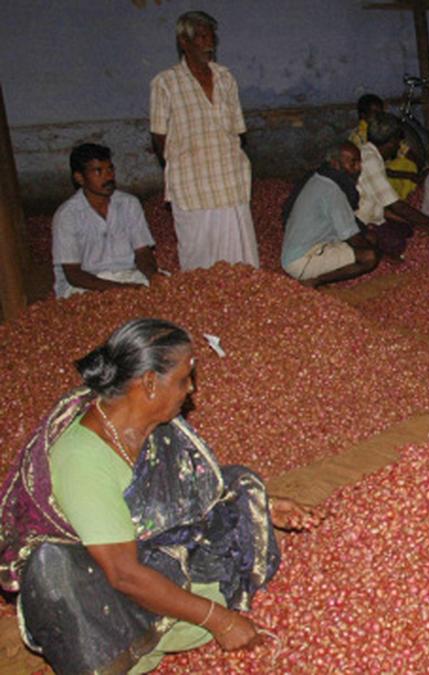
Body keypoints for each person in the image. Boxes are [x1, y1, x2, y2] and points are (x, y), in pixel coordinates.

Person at [0, 319, 320, 674]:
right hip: (98, 583)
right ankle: (144, 634)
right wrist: (221, 621)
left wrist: (264, 504)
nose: (191, 389)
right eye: (184, 379)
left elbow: (189, 485)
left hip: (144, 546)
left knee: (237, 484)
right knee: (67, 576)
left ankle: (178, 606)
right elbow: (123, 574)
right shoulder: (84, 460)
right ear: (149, 383)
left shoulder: (145, 423)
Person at [150, 11, 259, 271]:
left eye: (211, 36)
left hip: (229, 181)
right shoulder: (165, 83)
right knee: (199, 256)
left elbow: (238, 131)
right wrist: (182, 165)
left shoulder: (225, 79)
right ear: (183, 42)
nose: (208, 43)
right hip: (193, 186)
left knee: (240, 258)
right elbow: (158, 139)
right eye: (201, 36)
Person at [52, 144, 159, 299]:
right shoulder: (67, 215)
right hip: (87, 285)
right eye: (98, 171)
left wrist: (153, 276)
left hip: (128, 275)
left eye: (110, 169)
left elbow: (143, 251)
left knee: (167, 289)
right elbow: (73, 274)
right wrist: (121, 290)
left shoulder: (129, 203)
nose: (108, 176)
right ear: (79, 178)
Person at [281, 142, 380, 287]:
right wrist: (379, 252)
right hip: (301, 260)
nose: (358, 168)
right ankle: (314, 280)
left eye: (359, 162)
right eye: (352, 163)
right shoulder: (332, 191)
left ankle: (322, 272)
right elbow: (352, 237)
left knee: (369, 238)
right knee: (369, 256)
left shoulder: (319, 178)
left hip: (305, 248)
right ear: (335, 164)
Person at [354, 112, 429, 246]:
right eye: (398, 141)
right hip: (362, 222)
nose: (399, 146)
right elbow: (395, 205)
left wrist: (414, 222)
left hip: (376, 215)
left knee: (407, 230)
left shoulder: (369, 152)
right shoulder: (370, 161)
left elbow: (384, 206)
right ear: (391, 142)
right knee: (397, 242)